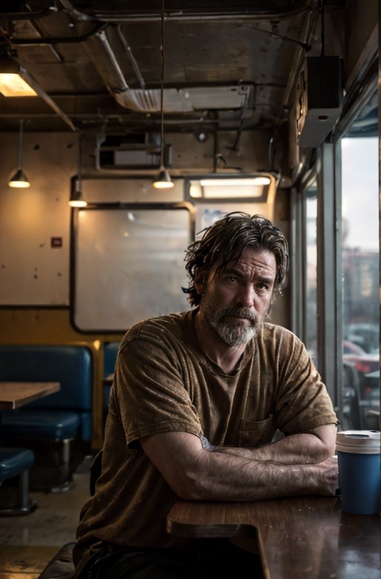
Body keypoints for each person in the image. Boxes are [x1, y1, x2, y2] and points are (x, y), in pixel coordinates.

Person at [74, 212, 338, 579]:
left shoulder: (283, 349)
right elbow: (193, 476)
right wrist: (313, 478)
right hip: (128, 548)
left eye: (262, 285)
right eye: (233, 278)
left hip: (226, 539)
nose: (247, 300)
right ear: (201, 280)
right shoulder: (150, 345)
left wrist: (231, 457)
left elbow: (322, 444)